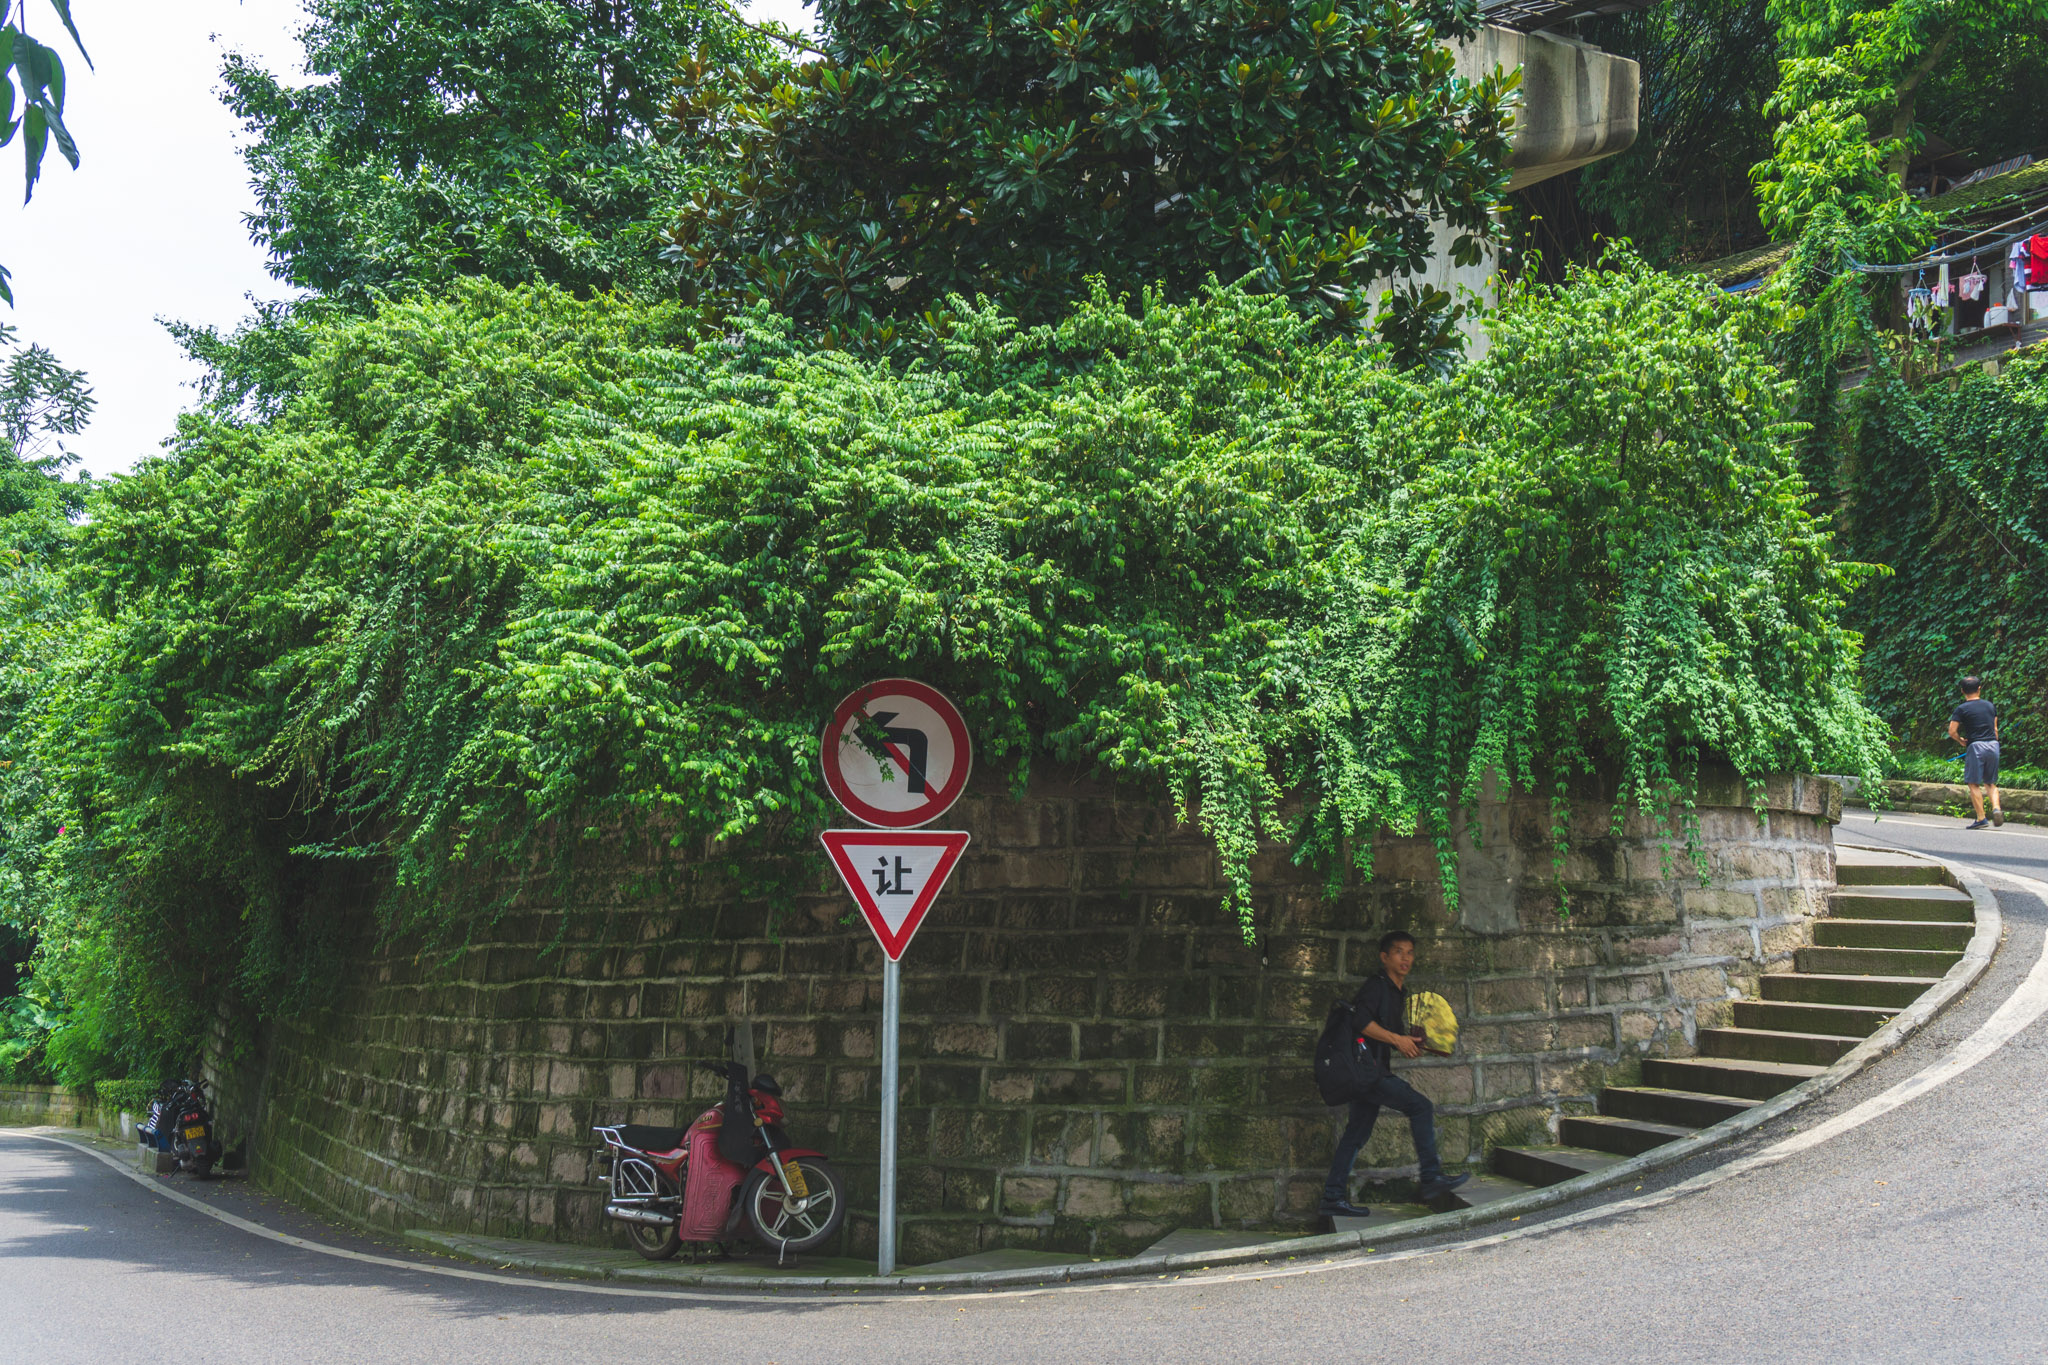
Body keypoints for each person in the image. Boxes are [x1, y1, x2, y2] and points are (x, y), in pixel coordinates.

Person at [1319, 930, 1470, 1219]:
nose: (1406, 958)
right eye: (1399, 952)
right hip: (1368, 1073)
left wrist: (1406, 1042)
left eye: (1410, 952)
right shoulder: (1377, 986)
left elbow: (1383, 1034)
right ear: (1384, 957)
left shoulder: (1397, 992)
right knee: (1421, 1106)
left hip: (1369, 1073)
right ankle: (1431, 1178)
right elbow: (1360, 1021)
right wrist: (1396, 1039)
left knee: (1356, 1134)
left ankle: (1332, 1197)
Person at [1948, 676, 2004, 830]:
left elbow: (1952, 731)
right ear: (1979, 688)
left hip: (1976, 746)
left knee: (1973, 783)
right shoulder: (1990, 706)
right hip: (1993, 744)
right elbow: (1995, 729)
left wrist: (1960, 741)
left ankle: (1981, 818)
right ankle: (1996, 808)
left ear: (1962, 691)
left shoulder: (1962, 709)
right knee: (1990, 783)